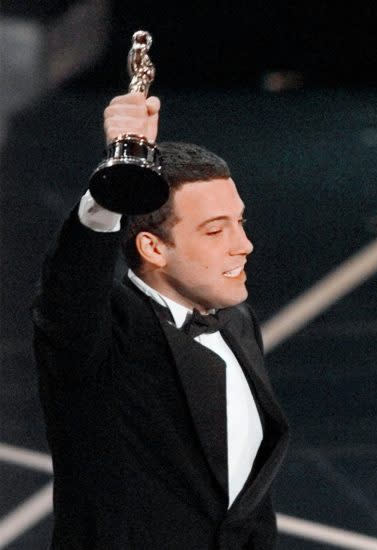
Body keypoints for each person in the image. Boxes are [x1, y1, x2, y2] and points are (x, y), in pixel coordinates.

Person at [32, 92, 289, 549]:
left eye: (240, 221)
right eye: (215, 230)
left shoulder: (237, 321)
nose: (244, 244)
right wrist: (116, 179)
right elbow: (68, 290)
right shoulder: (101, 335)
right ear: (153, 248)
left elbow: (243, 502)